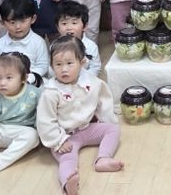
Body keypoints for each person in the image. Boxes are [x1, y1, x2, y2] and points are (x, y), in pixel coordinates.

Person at [36, 36, 123, 195]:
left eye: (69, 63)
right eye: (58, 64)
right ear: (51, 66)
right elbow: (45, 121)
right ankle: (69, 182)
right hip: (66, 137)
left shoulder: (90, 81)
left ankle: (103, 158)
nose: (64, 69)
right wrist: (58, 141)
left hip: (87, 128)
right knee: (67, 159)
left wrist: (105, 120)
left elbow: (103, 99)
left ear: (82, 63)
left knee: (113, 130)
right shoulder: (51, 92)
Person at [0, 0, 49, 82]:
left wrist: (29, 77)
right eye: (12, 22)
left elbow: (43, 66)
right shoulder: (0, 44)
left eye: (23, 21)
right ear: (3, 23)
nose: (18, 27)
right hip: (8, 82)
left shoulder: (38, 42)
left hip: (31, 82)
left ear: (33, 19)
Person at [55, 0, 101, 76]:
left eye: (74, 23)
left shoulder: (91, 47)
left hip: (85, 80)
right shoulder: (54, 46)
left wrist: (82, 79)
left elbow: (95, 68)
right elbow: (51, 68)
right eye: (64, 23)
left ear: (84, 26)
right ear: (58, 27)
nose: (69, 28)